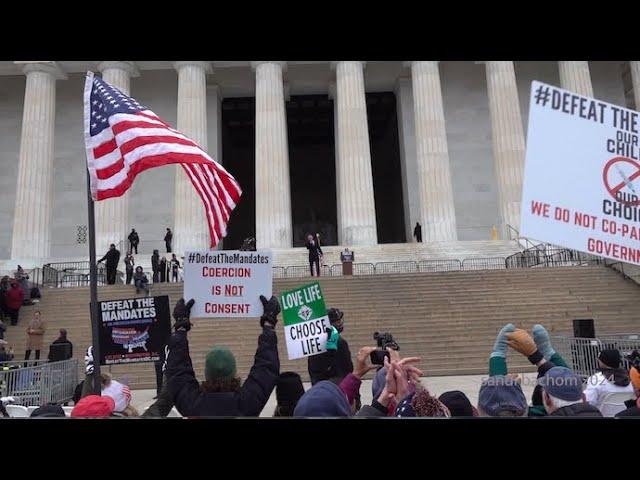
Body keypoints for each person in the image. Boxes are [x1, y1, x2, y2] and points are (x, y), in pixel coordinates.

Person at [165, 295, 280, 417]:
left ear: (206, 373)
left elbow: (177, 372)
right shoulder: (247, 404)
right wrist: (269, 324)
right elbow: (266, 368)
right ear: (234, 372)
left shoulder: (193, 405)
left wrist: (180, 328)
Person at [308, 308, 353, 386]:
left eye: (340, 320)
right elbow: (347, 369)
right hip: (338, 388)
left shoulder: (315, 343)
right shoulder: (339, 342)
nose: (340, 323)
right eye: (337, 321)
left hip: (319, 388)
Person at [583, 348, 634, 416]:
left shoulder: (596, 379)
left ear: (603, 362)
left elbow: (588, 402)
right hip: (626, 415)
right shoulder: (631, 378)